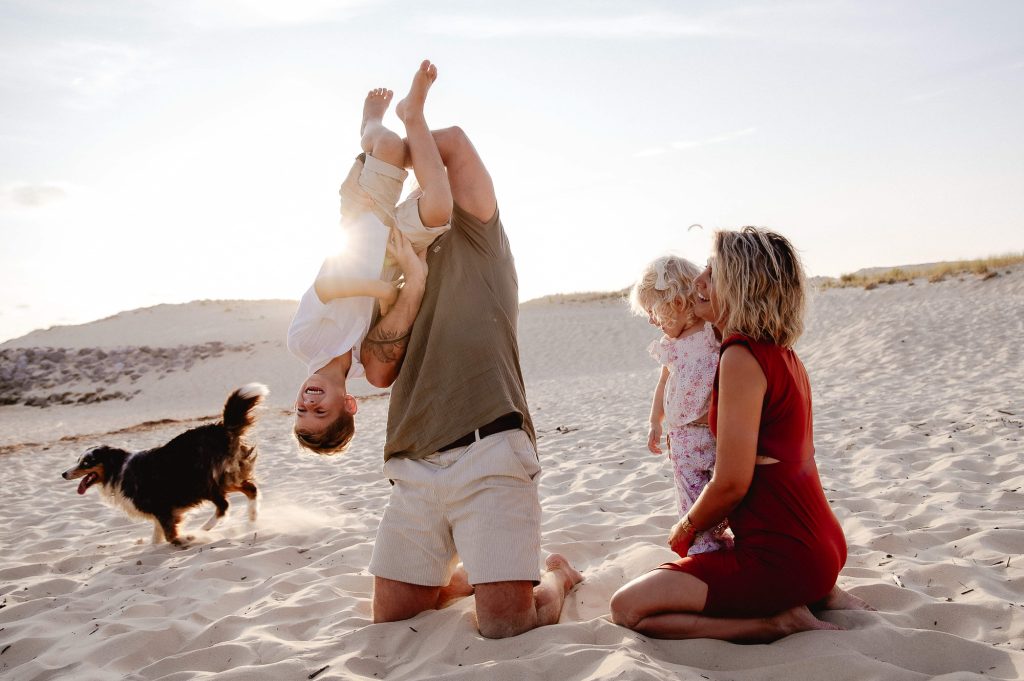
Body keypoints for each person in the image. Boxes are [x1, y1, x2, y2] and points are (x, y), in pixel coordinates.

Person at [356, 64, 583, 639]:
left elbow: (454, 143)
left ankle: (557, 578)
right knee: (393, 620)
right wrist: (409, 290)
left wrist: (400, 140)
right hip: (412, 459)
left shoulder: (480, 235)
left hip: (491, 449)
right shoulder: (391, 273)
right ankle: (479, 574)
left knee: (506, 625)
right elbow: (378, 371)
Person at [610, 227, 873, 642]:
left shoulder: (739, 358)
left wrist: (685, 527)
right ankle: (816, 593)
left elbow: (731, 483)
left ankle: (776, 623)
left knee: (626, 608)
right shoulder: (782, 353)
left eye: (711, 274)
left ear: (740, 287)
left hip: (784, 560)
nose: (698, 282)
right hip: (824, 546)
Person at [286, 60, 452, 454]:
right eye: (320, 412)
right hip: (392, 249)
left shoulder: (304, 343)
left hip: (360, 223)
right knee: (439, 206)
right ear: (349, 404)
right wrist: (393, 290)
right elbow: (395, 318)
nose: (308, 403)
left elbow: (328, 287)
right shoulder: (366, 363)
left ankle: (370, 123)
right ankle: (415, 139)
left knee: (389, 145)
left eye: (301, 411)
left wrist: (381, 291)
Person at [629, 254, 729, 556]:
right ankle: (703, 550)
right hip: (682, 438)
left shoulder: (712, 333)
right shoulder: (670, 347)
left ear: (677, 303)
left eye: (652, 312)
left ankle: (726, 541)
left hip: (715, 435)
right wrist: (655, 421)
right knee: (689, 496)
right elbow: (663, 384)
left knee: (725, 498)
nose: (651, 320)